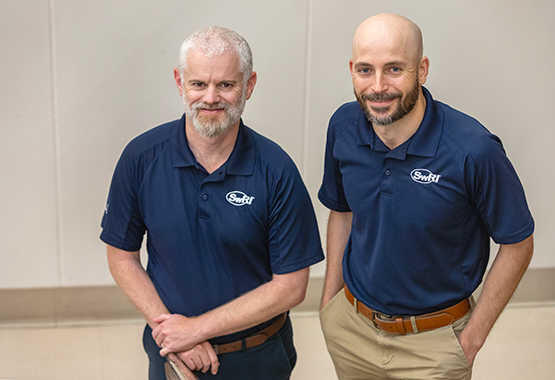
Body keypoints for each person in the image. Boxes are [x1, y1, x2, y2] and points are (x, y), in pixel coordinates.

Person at [318, 13, 534, 380]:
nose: (378, 86)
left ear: (422, 69)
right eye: (366, 70)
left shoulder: (473, 150)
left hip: (433, 346)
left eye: (395, 69)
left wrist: (471, 340)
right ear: (352, 69)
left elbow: (518, 244)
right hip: (351, 330)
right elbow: (342, 212)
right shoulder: (343, 126)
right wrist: (329, 305)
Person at [100, 26, 324, 380]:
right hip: (172, 354)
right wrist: (176, 338)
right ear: (179, 82)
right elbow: (121, 256)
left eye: (226, 85)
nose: (210, 98)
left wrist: (197, 329)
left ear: (249, 85)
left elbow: (292, 285)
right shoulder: (141, 158)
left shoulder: (276, 170)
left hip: (258, 358)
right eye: (198, 84)